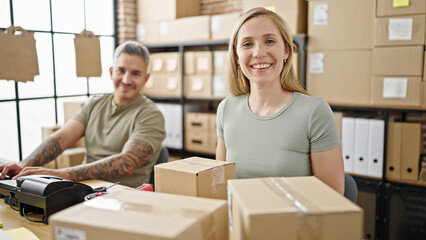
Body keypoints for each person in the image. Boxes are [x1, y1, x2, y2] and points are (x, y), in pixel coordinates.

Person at [0, 41, 166, 188]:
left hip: (124, 195)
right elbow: (60, 139)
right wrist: (24, 164)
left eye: (135, 73)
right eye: (121, 71)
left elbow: (127, 162)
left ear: (146, 78)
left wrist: (61, 174)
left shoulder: (151, 115)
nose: (126, 79)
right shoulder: (95, 104)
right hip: (84, 188)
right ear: (111, 72)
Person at [215, 7, 344, 194]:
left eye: (269, 41)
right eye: (247, 44)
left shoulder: (314, 112)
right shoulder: (226, 109)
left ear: (286, 51)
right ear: (236, 56)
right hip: (238, 221)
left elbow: (332, 197)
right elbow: (220, 186)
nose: (258, 52)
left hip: (294, 222)